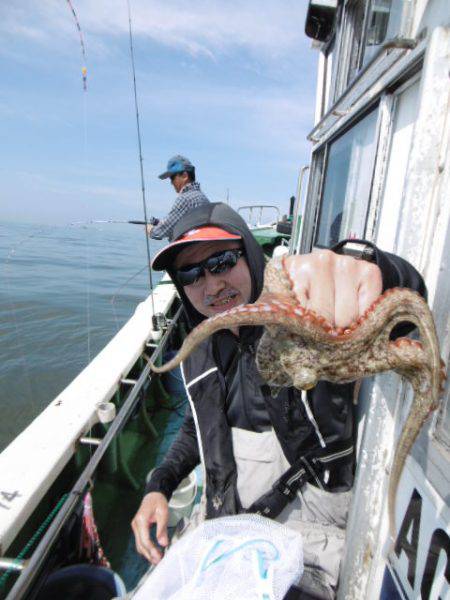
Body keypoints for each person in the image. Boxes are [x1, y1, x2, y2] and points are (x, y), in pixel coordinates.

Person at [132, 203, 426, 598]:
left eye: (221, 261)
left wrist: (371, 268)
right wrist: (159, 485)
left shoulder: (303, 318)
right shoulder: (198, 346)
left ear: (251, 255)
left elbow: (396, 310)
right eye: (191, 273)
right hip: (225, 519)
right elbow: (196, 427)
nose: (212, 284)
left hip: (310, 540)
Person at [146, 155, 210, 240]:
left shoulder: (185, 199)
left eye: (172, 178)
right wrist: (160, 222)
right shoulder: (202, 197)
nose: (171, 183)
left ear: (184, 176)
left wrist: (150, 230)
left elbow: (159, 233)